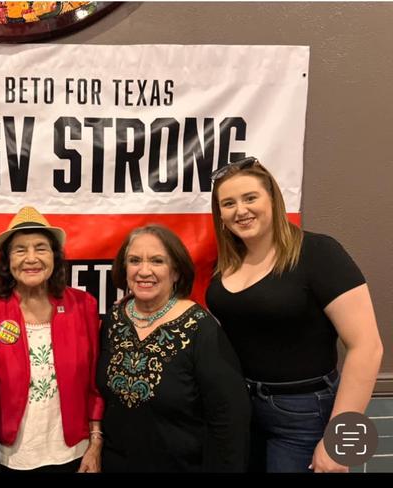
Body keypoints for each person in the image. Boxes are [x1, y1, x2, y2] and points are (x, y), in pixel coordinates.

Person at [206, 157, 384, 473]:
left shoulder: (318, 253)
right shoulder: (226, 266)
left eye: (250, 198)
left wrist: (340, 443)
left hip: (305, 413)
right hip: (244, 410)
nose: (240, 210)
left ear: (273, 199)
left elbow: (367, 347)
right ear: (220, 216)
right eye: (228, 203)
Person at [97, 224, 251, 472]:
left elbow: (229, 420)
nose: (144, 271)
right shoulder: (114, 320)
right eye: (135, 261)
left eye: (157, 261)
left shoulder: (201, 328)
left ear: (176, 272)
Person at [0, 206, 104, 472]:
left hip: (72, 451)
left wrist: (95, 444)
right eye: (20, 250)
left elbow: (94, 382)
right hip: (10, 454)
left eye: (41, 248)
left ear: (55, 258)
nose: (31, 258)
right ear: (7, 261)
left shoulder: (83, 305)